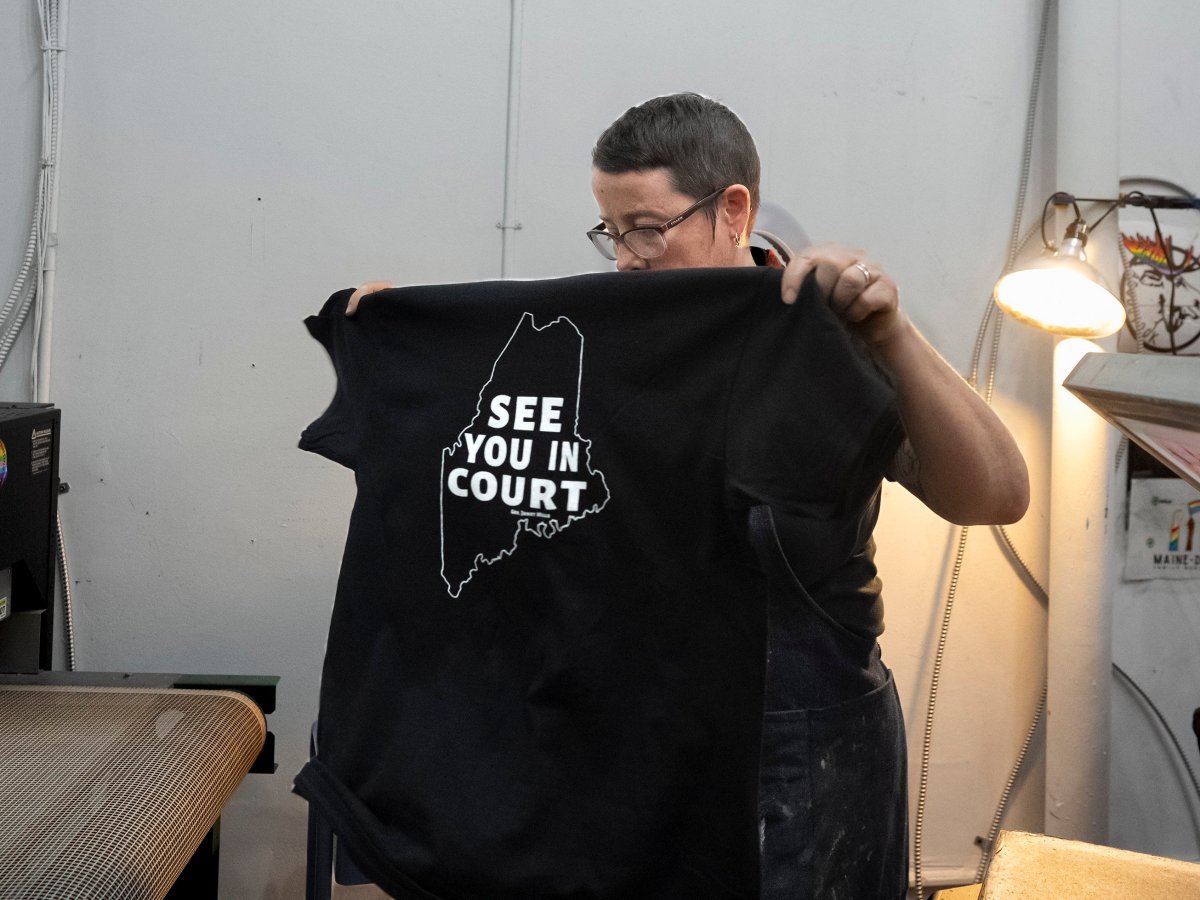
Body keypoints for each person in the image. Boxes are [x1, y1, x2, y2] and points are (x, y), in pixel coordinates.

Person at [343, 92, 1029, 898]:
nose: (625, 259)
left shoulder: (817, 335)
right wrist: (409, 338)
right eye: (611, 230)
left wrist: (891, 336)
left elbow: (996, 494)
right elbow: (512, 460)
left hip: (802, 749)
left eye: (645, 228)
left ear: (731, 210)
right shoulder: (608, 344)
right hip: (646, 733)